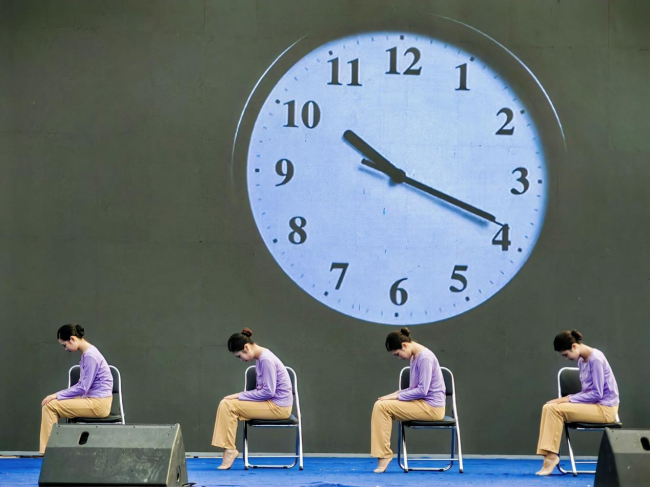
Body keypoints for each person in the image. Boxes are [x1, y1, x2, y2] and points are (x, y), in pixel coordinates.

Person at [536, 330, 620, 475]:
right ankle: (548, 457)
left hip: (606, 409)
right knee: (548, 407)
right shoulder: (582, 361)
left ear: (574, 346)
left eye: (566, 355)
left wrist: (567, 398)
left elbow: (597, 393)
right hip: (593, 406)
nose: (567, 358)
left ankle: (551, 458)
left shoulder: (596, 359)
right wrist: (567, 399)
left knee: (555, 409)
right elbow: (587, 392)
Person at [211, 327, 293, 470]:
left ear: (246, 348)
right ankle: (229, 449)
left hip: (278, 407)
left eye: (239, 356)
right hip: (271, 404)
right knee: (226, 403)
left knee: (228, 405)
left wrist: (239, 395)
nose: (241, 360)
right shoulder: (261, 358)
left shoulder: (266, 359)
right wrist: (239, 396)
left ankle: (229, 450)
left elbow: (268, 392)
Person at [371, 327, 446, 473]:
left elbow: (422, 390)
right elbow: (413, 388)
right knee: (380, 404)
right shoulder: (414, 357)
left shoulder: (424, 358)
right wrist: (395, 394)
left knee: (381, 407)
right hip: (422, 404)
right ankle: (383, 455)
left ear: (404, 345)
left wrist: (396, 396)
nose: (399, 358)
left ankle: (384, 456)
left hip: (433, 408)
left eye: (397, 354)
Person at [40, 324, 113, 453]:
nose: (65, 349)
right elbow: (83, 386)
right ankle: (49, 451)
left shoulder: (90, 356)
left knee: (49, 406)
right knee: (51, 404)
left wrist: (56, 395)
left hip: (99, 404)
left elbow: (83, 387)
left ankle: (47, 453)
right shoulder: (88, 353)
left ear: (72, 339)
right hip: (94, 399)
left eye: (64, 345)